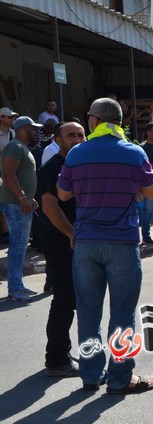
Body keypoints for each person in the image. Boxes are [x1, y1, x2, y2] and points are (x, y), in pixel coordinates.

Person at [57, 97, 153, 394]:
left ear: (93, 120)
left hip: (87, 242)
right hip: (123, 242)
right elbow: (151, 192)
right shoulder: (134, 152)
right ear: (120, 122)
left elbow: (63, 195)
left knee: (88, 313)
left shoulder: (76, 153)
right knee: (123, 314)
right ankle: (120, 378)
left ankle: (90, 376)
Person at [39, 121, 85, 377]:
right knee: (64, 300)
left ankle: (62, 352)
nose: (77, 139)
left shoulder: (76, 166)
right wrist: (71, 233)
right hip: (61, 242)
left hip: (75, 241)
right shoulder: (53, 167)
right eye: (71, 135)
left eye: (81, 134)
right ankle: (56, 360)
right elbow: (50, 206)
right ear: (58, 139)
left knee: (70, 300)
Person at [0, 116, 41, 301]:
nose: (35, 132)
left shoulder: (21, 148)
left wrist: (29, 199)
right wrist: (23, 198)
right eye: (33, 129)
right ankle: (15, 289)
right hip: (15, 204)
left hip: (21, 203)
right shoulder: (15, 147)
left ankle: (18, 286)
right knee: (17, 245)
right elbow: (8, 175)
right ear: (24, 128)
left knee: (20, 245)